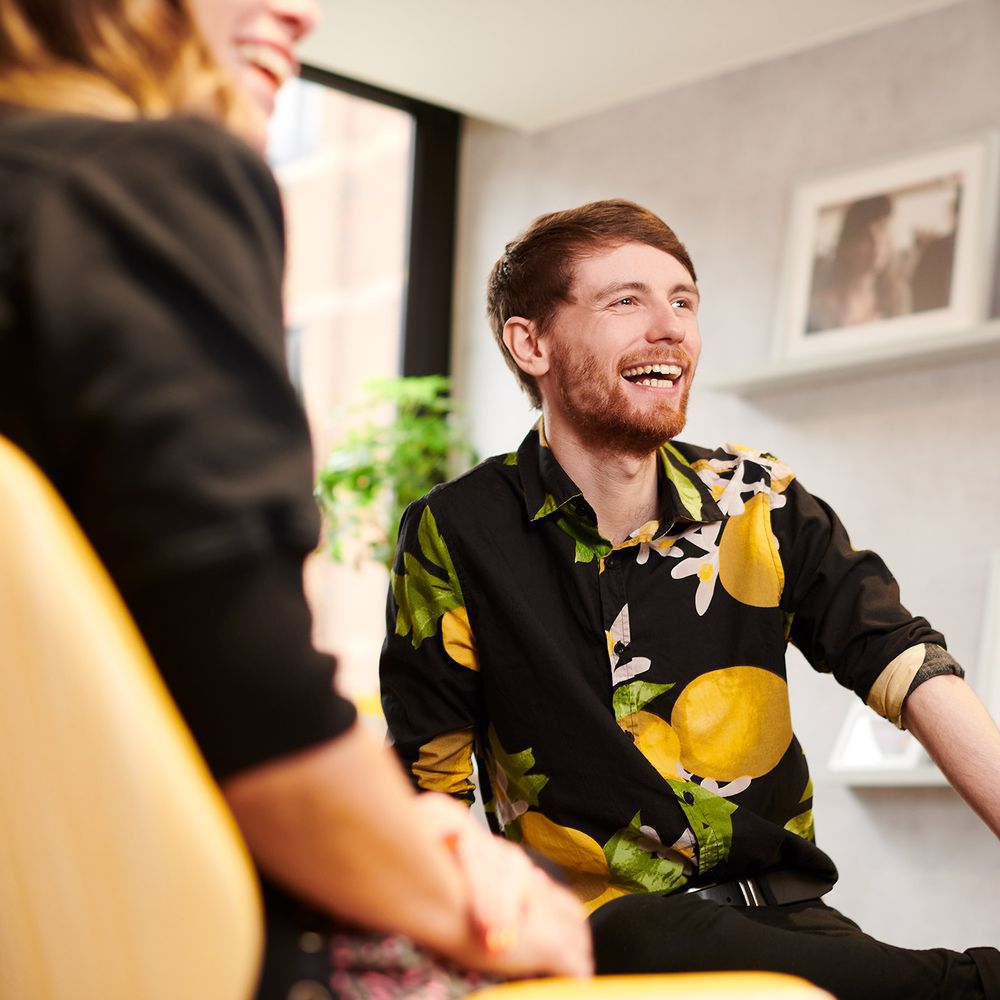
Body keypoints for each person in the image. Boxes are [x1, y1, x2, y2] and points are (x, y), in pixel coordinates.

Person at [0, 2, 592, 997]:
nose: (297, 9)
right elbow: (268, 735)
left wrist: (410, 830)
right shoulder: (139, 183)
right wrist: (484, 907)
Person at [380, 199, 1000, 999]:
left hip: (790, 923)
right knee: (645, 923)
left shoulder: (759, 497)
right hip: (600, 943)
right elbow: (427, 790)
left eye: (683, 301)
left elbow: (904, 661)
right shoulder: (455, 532)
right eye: (625, 300)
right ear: (530, 342)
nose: (669, 327)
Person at [805, 193, 912, 333]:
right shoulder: (818, 309)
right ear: (846, 247)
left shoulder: (897, 298)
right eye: (865, 237)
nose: (877, 244)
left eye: (882, 230)